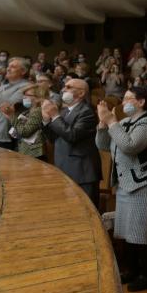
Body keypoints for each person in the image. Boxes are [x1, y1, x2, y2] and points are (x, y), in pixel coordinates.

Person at [96, 86, 147, 291]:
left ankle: (146, 274)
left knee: (140, 229)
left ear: (141, 102)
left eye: (128, 98)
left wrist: (110, 121)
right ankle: (131, 269)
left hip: (146, 182)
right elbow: (102, 144)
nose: (124, 102)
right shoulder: (123, 122)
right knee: (126, 228)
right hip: (126, 182)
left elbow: (130, 146)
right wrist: (102, 123)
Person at [42, 78, 102, 208]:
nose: (63, 89)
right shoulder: (64, 112)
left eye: (68, 87)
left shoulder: (87, 112)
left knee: (86, 211)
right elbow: (54, 138)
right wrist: (47, 121)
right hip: (64, 167)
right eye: (64, 86)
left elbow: (72, 135)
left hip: (82, 172)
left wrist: (55, 116)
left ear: (81, 93)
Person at [0, 83, 49, 159]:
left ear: (38, 98)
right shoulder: (27, 112)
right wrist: (9, 116)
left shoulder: (38, 111)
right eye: (24, 95)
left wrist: (12, 115)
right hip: (25, 150)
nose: (24, 97)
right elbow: (18, 132)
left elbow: (24, 132)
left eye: (27, 95)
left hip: (34, 153)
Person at [0, 57, 30, 150]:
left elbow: (7, 106)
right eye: (8, 66)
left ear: (23, 71)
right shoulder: (3, 86)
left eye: (13, 67)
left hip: (7, 134)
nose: (8, 69)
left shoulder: (27, 86)